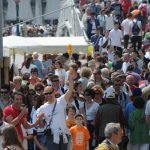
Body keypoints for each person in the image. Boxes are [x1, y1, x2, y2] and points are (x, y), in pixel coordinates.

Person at [37, 73, 74, 150]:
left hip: (63, 134)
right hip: (51, 136)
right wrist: (39, 119)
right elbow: (41, 126)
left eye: (50, 93)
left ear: (54, 92)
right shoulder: (42, 108)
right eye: (46, 94)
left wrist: (70, 80)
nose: (48, 95)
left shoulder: (61, 100)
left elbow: (70, 90)